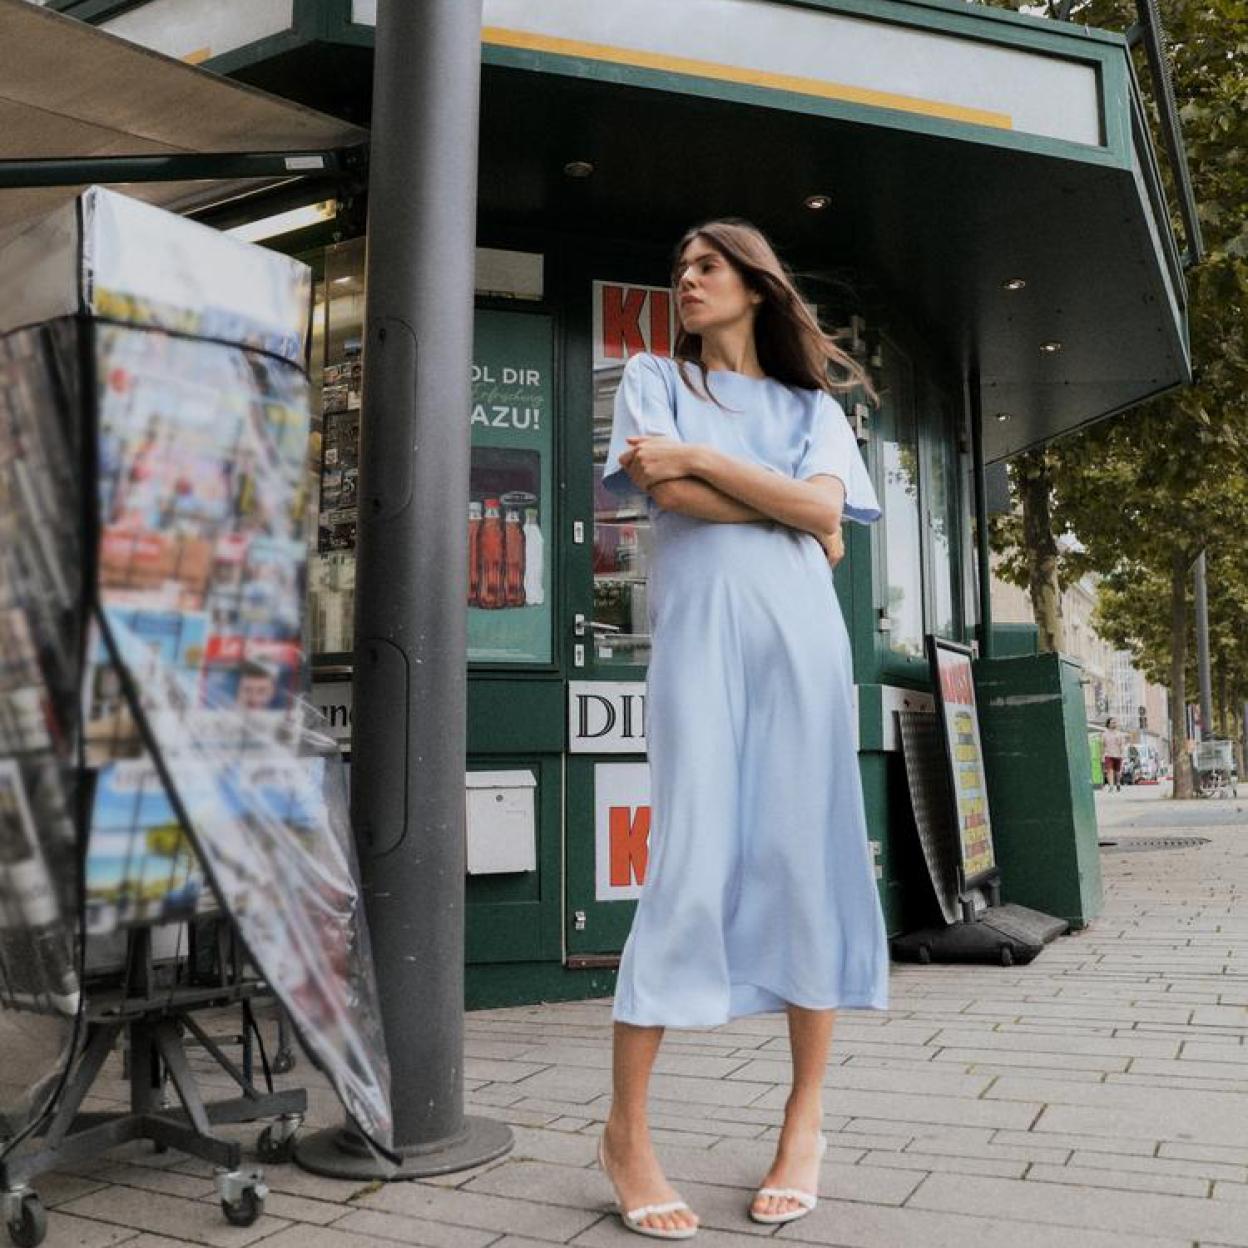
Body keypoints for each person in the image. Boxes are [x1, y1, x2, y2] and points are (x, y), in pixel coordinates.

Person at [596, 220, 888, 1239]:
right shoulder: (652, 382)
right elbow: (670, 492)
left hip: (804, 651)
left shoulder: (814, 407)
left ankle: (803, 1121)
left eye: (705, 266)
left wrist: (719, 471)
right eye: (678, 266)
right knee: (685, 865)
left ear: (756, 287)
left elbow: (823, 508)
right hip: (700, 647)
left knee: (808, 863)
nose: (685, 279)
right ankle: (625, 1133)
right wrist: (787, 506)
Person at [1102, 717, 1125, 791]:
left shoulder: (1119, 734)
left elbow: (1122, 744)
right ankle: (1111, 786)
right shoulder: (1104, 734)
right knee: (1109, 770)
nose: (1114, 724)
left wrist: (1122, 753)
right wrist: (1102, 755)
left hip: (1118, 754)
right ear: (1108, 724)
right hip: (1108, 754)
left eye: (1115, 723)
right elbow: (1102, 745)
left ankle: (1118, 783)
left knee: (1117, 771)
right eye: (1112, 723)